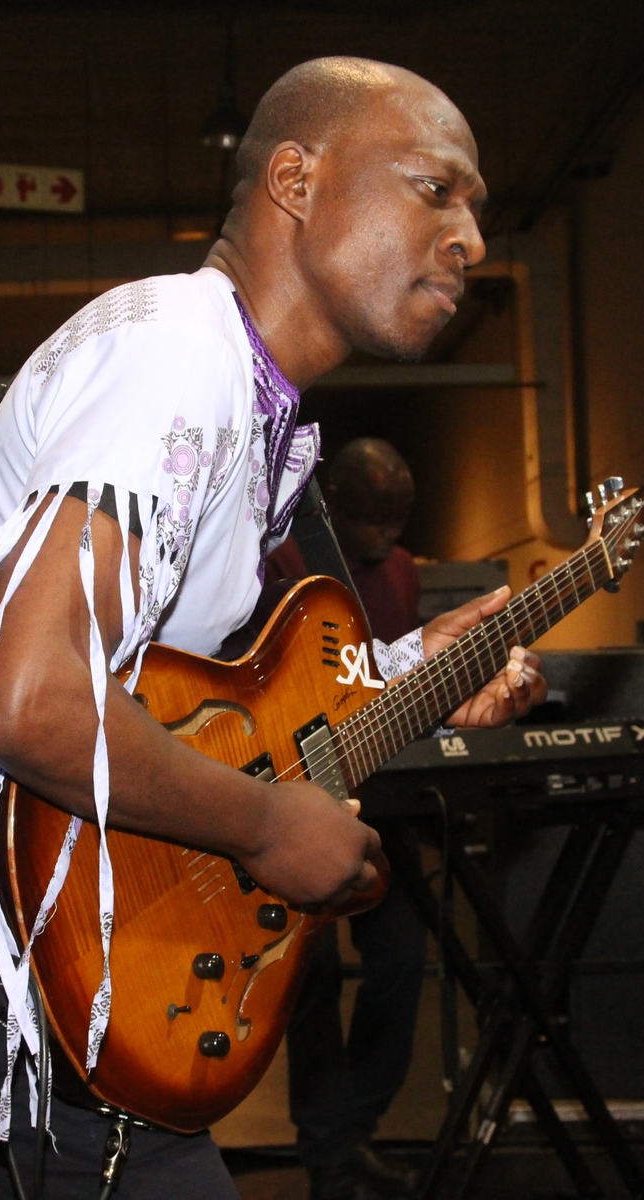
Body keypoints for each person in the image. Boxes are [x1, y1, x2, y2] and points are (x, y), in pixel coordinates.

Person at [0, 57, 546, 1200]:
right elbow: (23, 694)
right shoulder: (177, 355)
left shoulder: (248, 406)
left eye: (475, 208)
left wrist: (413, 672)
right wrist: (266, 829)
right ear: (295, 180)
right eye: (437, 189)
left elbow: (192, 703)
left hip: (59, 989)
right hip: (24, 1002)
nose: (471, 237)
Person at [284, 438, 427, 1200]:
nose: (384, 536)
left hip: (379, 788)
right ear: (333, 505)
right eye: (371, 519)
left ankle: (354, 1127)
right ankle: (328, 1151)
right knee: (310, 983)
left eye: (396, 521)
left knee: (401, 959)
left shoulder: (403, 571)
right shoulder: (288, 559)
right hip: (300, 798)